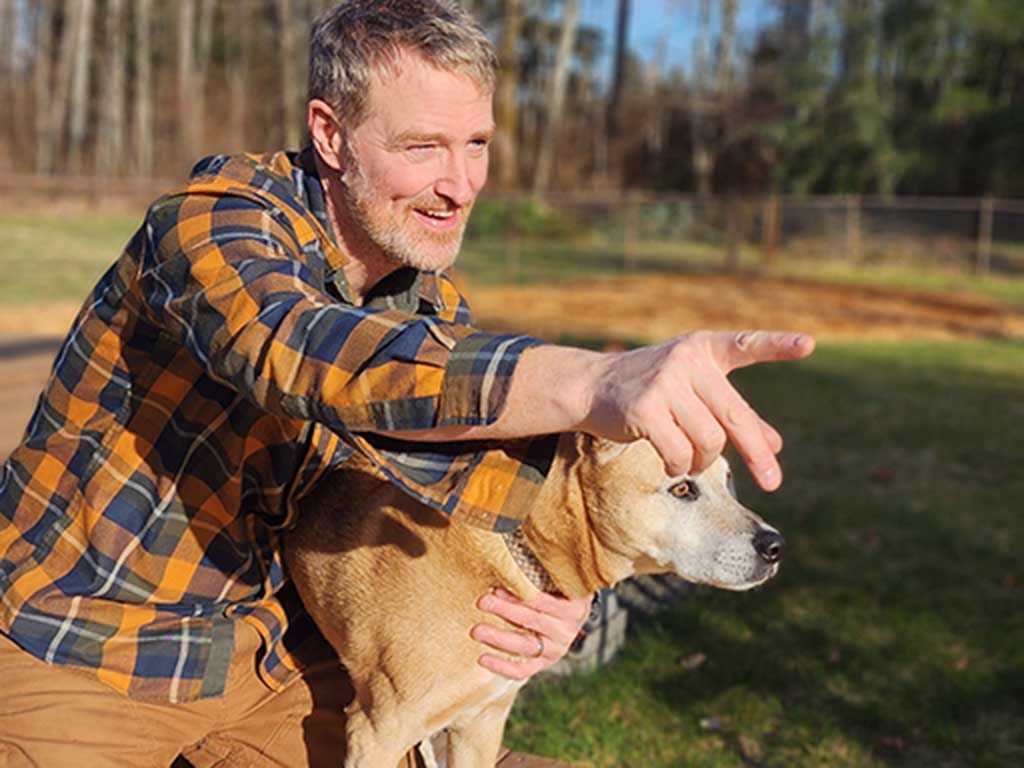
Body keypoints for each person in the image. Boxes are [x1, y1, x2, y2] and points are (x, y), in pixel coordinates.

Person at [0, 1, 814, 766]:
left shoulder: (433, 305)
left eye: (477, 145)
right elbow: (307, 353)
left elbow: (519, 494)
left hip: (274, 658)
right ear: (331, 133)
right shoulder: (212, 223)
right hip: (84, 645)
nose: (459, 184)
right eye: (423, 146)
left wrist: (564, 594)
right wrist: (593, 379)